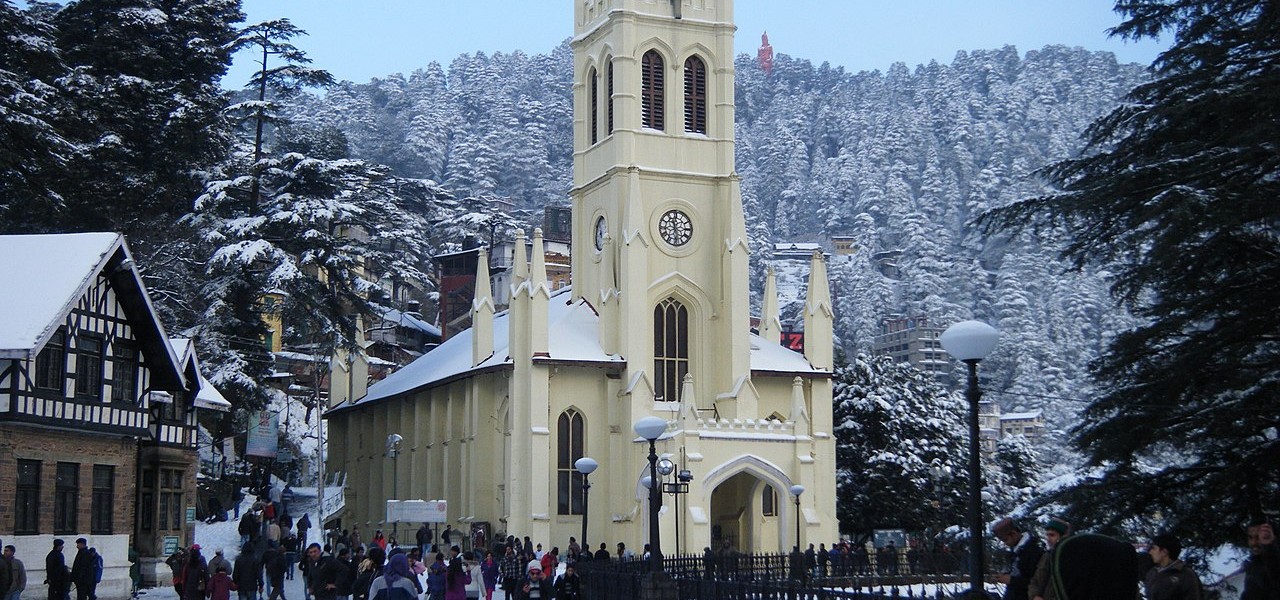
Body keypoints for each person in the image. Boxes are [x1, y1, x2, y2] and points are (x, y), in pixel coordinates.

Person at [993, 517, 1045, 600]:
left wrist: (1011, 580)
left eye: (1006, 540)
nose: (1005, 543)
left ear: (1013, 533)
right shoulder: (1017, 551)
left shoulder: (1032, 551)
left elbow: (1035, 581)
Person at [1144, 533, 1201, 600]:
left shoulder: (1186, 574)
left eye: (1153, 548)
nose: (1150, 552)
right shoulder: (1152, 573)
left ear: (1164, 552)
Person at [1029, 517, 1071, 600]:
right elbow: (1035, 581)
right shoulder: (1046, 556)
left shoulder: (1071, 558)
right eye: (1047, 535)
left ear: (1063, 537)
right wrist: (1034, 596)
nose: (1048, 539)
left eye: (1052, 535)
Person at [1244, 522, 1279, 600]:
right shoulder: (1252, 567)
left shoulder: (1274, 562)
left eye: (1258, 537)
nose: (1253, 542)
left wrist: (1268, 547)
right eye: (1250, 537)